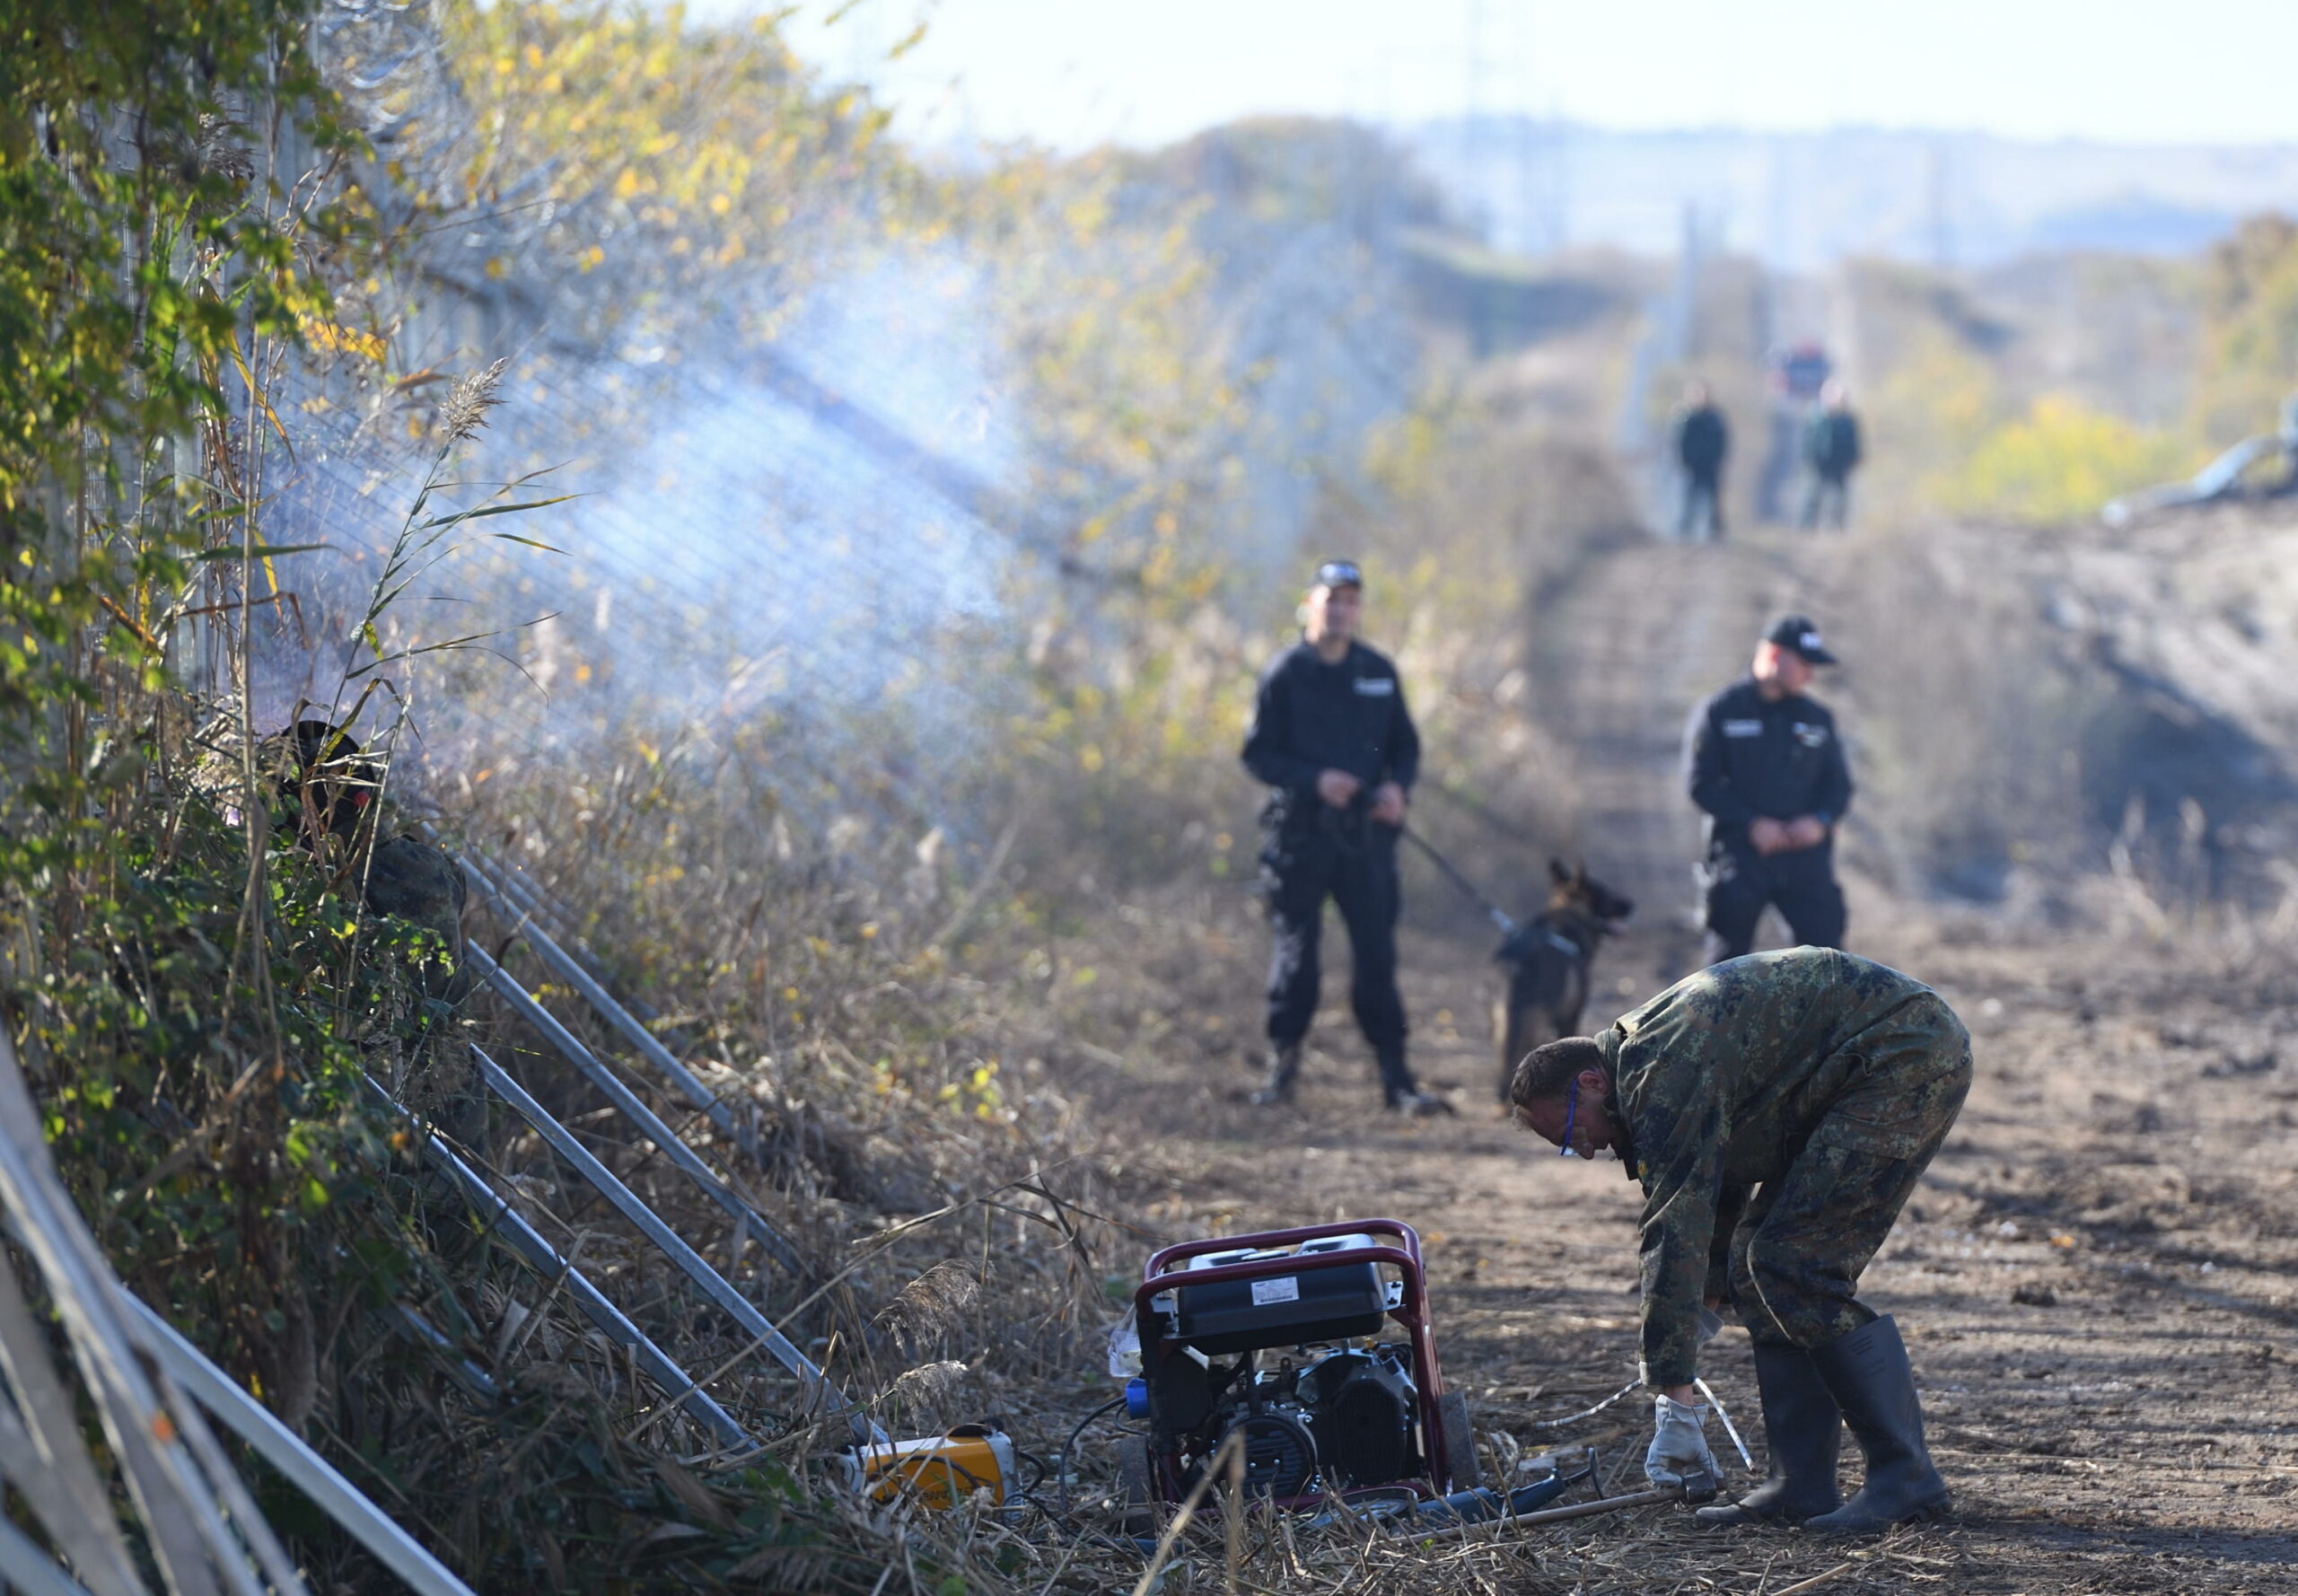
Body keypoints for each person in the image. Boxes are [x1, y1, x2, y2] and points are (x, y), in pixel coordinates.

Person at [1506, 947, 1970, 1532]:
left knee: (1795, 1265)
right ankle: (1800, 1487)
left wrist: (1674, 1396)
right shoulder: (1645, 1065)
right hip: (1853, 1068)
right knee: (1761, 1269)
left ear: (1592, 1081)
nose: (1589, 1150)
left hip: (1900, 1055)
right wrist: (1709, 1297)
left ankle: (1908, 1479)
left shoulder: (1659, 1070)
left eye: (1574, 1133)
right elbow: (1715, 1182)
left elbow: (1676, 1223)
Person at [1241, 560, 1447, 1115]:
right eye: (1331, 599)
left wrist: (1397, 789)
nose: (1340, 609)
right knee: (1296, 961)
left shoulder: (1378, 670)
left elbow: (1405, 747)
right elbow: (1257, 754)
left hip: (1367, 844)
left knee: (1378, 960)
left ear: (1359, 608)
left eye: (1350, 600)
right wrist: (1315, 781)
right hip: (1300, 841)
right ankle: (1281, 1074)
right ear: (1311, 603)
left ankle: (1397, 1080)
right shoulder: (1285, 672)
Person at [1684, 614, 1851, 966]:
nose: (1811, 674)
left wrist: (1819, 821)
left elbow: (1839, 786)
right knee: (1724, 968)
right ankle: (1721, 1024)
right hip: (1742, 857)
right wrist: (1751, 823)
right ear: (1775, 656)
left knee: (1828, 964)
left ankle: (1817, 1024)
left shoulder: (1817, 717)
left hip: (1805, 859)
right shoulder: (1721, 711)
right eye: (1804, 663)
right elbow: (1701, 783)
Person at [1798, 381, 1862, 531]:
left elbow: (1854, 442)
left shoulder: (1848, 420)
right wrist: (1810, 459)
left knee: (1840, 497)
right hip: (1819, 463)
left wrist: (1853, 459)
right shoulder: (1816, 418)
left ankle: (1836, 526)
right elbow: (1808, 441)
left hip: (1840, 464)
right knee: (1813, 495)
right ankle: (1807, 526)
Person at [1672, 380, 1730, 543]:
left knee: (1713, 501)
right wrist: (1682, 461)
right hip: (1691, 466)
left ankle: (1716, 533)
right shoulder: (1684, 417)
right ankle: (1684, 533)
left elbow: (1722, 441)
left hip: (1710, 465)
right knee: (1688, 500)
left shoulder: (1714, 418)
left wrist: (1719, 459)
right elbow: (1677, 442)